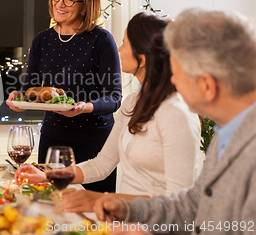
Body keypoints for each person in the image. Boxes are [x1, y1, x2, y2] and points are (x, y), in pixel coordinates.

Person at [92, 8, 256, 234]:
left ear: (207, 86)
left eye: (178, 74)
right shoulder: (225, 134)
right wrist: (127, 209)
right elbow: (192, 204)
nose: (171, 80)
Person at [16, 12, 201, 211]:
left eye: (124, 44)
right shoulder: (132, 104)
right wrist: (47, 175)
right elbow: (102, 164)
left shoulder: (177, 114)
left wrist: (100, 200)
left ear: (143, 57)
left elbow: (180, 204)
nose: (118, 49)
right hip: (124, 223)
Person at [6, 0, 122, 192]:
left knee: (93, 218)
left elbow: (114, 98)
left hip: (95, 142)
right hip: (54, 140)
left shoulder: (102, 40)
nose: (59, 3)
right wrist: (18, 98)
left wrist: (85, 107)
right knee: (49, 208)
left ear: (86, 5)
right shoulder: (42, 40)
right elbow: (29, 90)